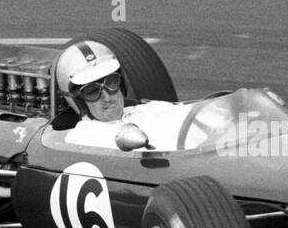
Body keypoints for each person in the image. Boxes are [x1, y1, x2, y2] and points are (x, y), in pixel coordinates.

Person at [53, 40, 189, 149]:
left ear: (121, 83)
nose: (107, 97)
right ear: (78, 101)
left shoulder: (150, 107)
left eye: (111, 82)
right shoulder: (84, 135)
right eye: (92, 91)